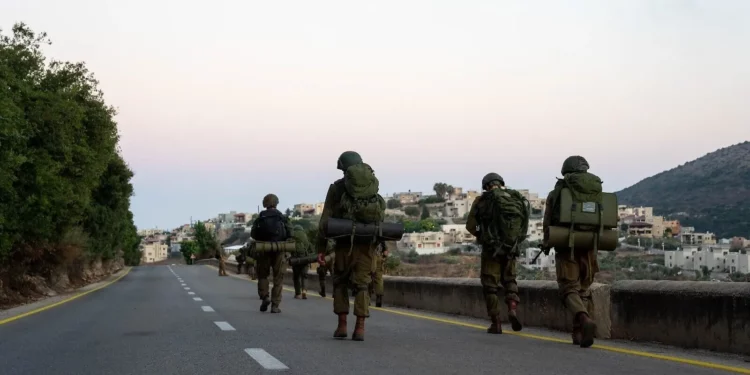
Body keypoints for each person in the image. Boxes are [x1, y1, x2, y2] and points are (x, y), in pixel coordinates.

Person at [317, 151, 386, 341]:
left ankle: (342, 325)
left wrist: (321, 249)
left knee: (340, 283)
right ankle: (360, 329)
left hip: (343, 245)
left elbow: (324, 221)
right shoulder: (372, 185)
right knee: (363, 285)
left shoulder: (337, 189)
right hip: (367, 246)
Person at [542, 155, 600, 348]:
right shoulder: (596, 188)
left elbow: (548, 221)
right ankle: (579, 334)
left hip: (567, 246)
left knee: (568, 288)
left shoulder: (557, 191)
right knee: (583, 290)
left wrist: (547, 241)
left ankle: (583, 319)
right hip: (591, 245)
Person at [466, 173, 529, 334]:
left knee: (490, 286)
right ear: (501, 183)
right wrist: (514, 242)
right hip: (511, 248)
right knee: (510, 281)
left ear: (486, 186)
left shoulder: (482, 201)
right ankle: (513, 309)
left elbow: (470, 226)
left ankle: (496, 322)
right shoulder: (515, 198)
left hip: (491, 250)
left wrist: (484, 237)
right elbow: (524, 226)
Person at [251, 194, 293, 313]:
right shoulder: (281, 216)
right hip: (279, 250)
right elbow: (290, 232)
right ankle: (275, 306)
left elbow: (253, 234)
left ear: (265, 203)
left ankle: (265, 297)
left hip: (263, 249)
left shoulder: (260, 217)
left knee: (263, 275)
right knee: (278, 278)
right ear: (276, 203)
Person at [291, 226, 312, 299]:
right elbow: (310, 247)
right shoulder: (304, 235)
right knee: (305, 276)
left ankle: (298, 293)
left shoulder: (292, 234)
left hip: (295, 259)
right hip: (305, 259)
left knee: (296, 277)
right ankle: (304, 290)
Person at [370, 242, 388, 307]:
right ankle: (379, 297)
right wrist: (383, 258)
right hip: (379, 258)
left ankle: (368, 298)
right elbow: (385, 252)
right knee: (379, 280)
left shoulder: (371, 237)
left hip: (370, 257)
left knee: (368, 277)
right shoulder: (382, 239)